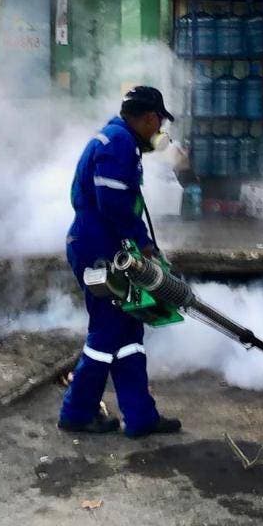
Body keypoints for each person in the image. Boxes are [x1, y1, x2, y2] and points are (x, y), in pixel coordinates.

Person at [58, 86, 183, 438]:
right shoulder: (118, 143)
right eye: (158, 122)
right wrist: (143, 244)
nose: (159, 130)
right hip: (97, 246)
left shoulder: (121, 140)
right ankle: (77, 412)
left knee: (129, 333)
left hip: (106, 244)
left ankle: (141, 418)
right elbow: (112, 203)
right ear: (148, 118)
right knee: (108, 331)